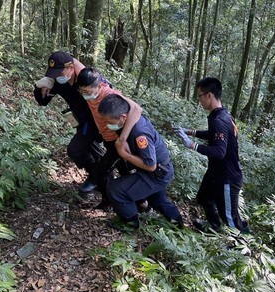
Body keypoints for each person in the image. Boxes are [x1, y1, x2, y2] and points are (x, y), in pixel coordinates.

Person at [97, 93, 184, 231]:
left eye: (110, 123)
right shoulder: (129, 121)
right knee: (157, 199)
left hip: (156, 173)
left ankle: (131, 223)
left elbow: (150, 165)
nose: (108, 126)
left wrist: (124, 154)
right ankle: (179, 225)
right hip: (160, 170)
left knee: (115, 189)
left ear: (123, 117)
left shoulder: (139, 133)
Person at [175, 77, 249, 233]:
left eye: (200, 96)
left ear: (209, 95)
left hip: (227, 177)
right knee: (203, 198)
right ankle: (214, 227)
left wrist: (191, 144)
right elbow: (214, 135)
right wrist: (190, 132)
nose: (199, 100)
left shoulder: (219, 120)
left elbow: (219, 152)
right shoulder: (222, 115)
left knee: (229, 217)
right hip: (216, 173)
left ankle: (240, 245)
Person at [34, 51, 104, 193]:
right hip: (82, 121)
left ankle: (101, 178)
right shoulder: (58, 81)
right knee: (85, 151)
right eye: (55, 73)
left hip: (98, 119)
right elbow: (43, 101)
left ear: (71, 68)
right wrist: (40, 86)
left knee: (79, 149)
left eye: (60, 71)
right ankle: (100, 180)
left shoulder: (86, 78)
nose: (58, 75)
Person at [76, 67, 143, 208]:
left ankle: (128, 204)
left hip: (117, 141)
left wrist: (122, 139)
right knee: (125, 171)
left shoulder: (110, 95)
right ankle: (141, 204)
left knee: (101, 171)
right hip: (107, 139)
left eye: (87, 92)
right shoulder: (90, 90)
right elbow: (72, 64)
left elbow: (137, 109)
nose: (84, 95)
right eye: (81, 91)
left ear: (100, 86)